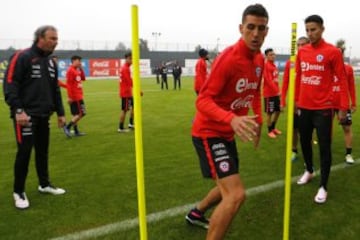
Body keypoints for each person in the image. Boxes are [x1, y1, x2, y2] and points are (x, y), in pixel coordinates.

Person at [185, 4, 268, 239]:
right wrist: (231, 119)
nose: (255, 34)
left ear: (266, 31)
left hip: (226, 132)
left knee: (226, 187)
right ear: (241, 28)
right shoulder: (228, 59)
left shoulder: (260, 60)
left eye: (260, 29)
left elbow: (254, 92)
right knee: (236, 194)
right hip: (208, 131)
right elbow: (202, 101)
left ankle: (197, 213)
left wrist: (259, 120)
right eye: (250, 27)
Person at [3, 25, 67, 209]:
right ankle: (18, 191)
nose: (56, 42)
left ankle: (44, 184)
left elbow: (55, 90)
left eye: (56, 38)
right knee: (24, 153)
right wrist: (18, 110)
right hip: (25, 117)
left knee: (42, 152)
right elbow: (10, 84)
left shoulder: (50, 62)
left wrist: (61, 112)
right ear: (40, 37)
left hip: (44, 116)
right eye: (52, 38)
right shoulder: (22, 56)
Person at [295, 15, 349, 204]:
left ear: (322, 29)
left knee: (325, 148)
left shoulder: (332, 52)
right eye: (307, 30)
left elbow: (342, 80)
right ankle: (309, 170)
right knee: (304, 143)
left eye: (314, 29)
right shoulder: (302, 52)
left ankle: (323, 186)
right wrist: (295, 102)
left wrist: (343, 107)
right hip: (304, 107)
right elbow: (299, 78)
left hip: (324, 108)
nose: (310, 34)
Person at [281, 36, 310, 161]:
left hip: (309, 102)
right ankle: (294, 150)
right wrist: (282, 100)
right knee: (294, 128)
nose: (300, 47)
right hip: (295, 103)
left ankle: (307, 151)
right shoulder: (290, 63)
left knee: (307, 130)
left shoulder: (312, 62)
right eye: (298, 45)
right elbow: (285, 83)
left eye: (303, 44)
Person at [333, 42, 356, 164]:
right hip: (328, 103)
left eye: (339, 53)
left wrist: (354, 103)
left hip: (343, 103)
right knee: (326, 129)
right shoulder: (328, 67)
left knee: (347, 128)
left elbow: (351, 87)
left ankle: (348, 154)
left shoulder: (348, 69)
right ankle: (326, 152)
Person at [63, 55, 86, 137]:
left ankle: (76, 131)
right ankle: (67, 127)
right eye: (78, 61)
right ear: (73, 61)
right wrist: (70, 97)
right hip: (76, 96)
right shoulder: (70, 71)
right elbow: (68, 85)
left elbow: (83, 78)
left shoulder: (77, 70)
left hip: (78, 95)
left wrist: (81, 68)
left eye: (80, 61)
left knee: (75, 114)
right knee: (82, 113)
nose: (80, 62)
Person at [262, 48, 281, 138]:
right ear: (266, 56)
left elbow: (275, 81)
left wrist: (278, 90)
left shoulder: (274, 66)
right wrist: (277, 91)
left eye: (273, 54)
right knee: (270, 113)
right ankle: (269, 131)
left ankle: (273, 128)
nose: (273, 56)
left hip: (275, 94)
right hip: (269, 94)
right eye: (270, 55)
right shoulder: (266, 66)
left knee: (278, 111)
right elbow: (269, 81)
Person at [118, 51, 134, 132]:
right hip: (126, 93)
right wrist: (138, 90)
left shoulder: (124, 67)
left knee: (133, 107)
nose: (132, 61)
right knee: (124, 110)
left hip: (126, 92)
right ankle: (120, 127)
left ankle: (131, 124)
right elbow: (129, 81)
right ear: (127, 59)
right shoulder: (125, 68)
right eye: (131, 59)